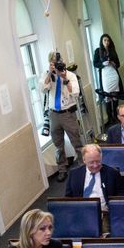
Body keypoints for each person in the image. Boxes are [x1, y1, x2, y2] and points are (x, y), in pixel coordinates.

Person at [41, 51, 83, 182]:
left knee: (76, 142)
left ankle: (83, 167)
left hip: (68, 113)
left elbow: (75, 93)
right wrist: (49, 73)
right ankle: (62, 169)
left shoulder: (70, 75)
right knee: (58, 144)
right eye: (53, 62)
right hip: (54, 114)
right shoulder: (48, 75)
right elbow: (42, 88)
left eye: (58, 62)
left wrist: (65, 79)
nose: (56, 65)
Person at [64, 144, 124, 235]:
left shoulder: (113, 173)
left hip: (104, 212)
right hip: (81, 213)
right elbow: (68, 197)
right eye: (91, 162)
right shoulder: (74, 174)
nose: (95, 165)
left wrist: (112, 206)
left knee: (104, 236)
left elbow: (122, 193)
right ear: (84, 160)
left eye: (98, 161)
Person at [92, 34, 121, 126]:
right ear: (101, 41)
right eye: (105, 40)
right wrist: (103, 64)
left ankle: (116, 116)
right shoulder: (98, 51)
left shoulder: (112, 50)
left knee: (115, 96)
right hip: (105, 75)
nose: (106, 42)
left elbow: (118, 64)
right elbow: (95, 64)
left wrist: (113, 63)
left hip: (113, 73)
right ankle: (110, 118)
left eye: (108, 40)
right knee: (107, 96)